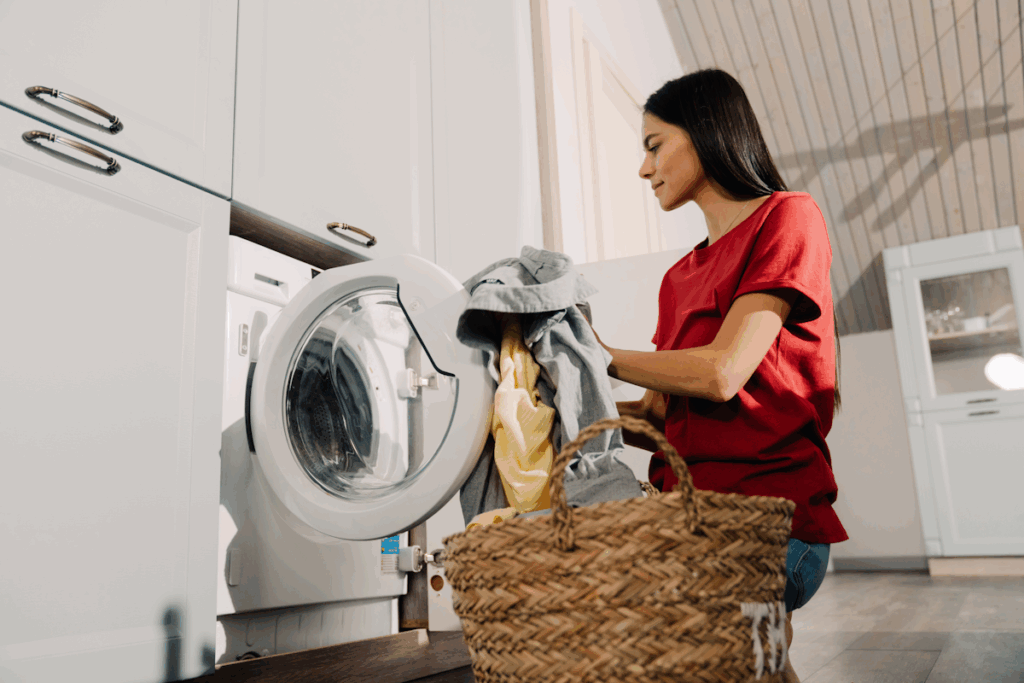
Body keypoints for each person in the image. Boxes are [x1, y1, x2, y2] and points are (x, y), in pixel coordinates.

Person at [590, 69, 849, 683]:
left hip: (772, 526)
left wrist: (596, 353)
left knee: (721, 644)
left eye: (655, 145)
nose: (644, 167)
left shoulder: (788, 217)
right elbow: (655, 417)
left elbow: (724, 372)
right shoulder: (676, 278)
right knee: (756, 661)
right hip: (691, 524)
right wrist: (560, 404)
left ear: (705, 133)